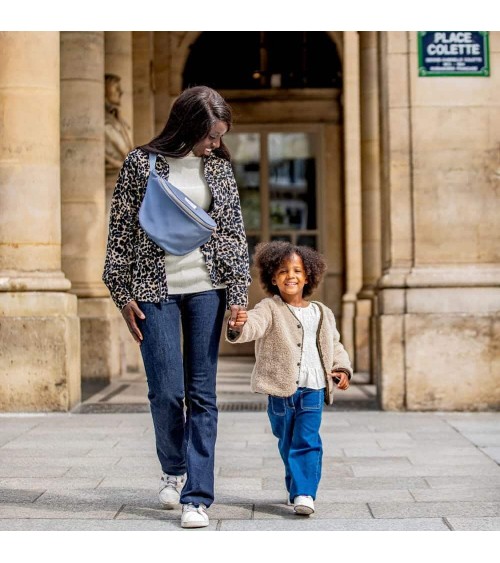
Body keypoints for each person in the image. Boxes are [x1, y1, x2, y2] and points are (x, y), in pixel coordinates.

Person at [102, 86, 251, 529]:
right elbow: (120, 234)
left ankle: (197, 497)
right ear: (187, 127)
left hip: (208, 289)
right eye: (210, 136)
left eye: (220, 136)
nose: (215, 144)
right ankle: (173, 468)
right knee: (165, 391)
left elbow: (233, 234)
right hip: (152, 290)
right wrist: (120, 291)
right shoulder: (139, 165)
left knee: (202, 394)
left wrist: (238, 296)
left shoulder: (220, 170)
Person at [226, 241, 352, 515]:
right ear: (273, 277)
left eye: (297, 270)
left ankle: (305, 493)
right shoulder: (269, 308)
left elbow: (335, 344)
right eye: (283, 271)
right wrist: (239, 325)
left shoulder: (322, 312)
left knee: (306, 440)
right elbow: (254, 325)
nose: (290, 276)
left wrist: (341, 368)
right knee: (287, 442)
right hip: (280, 391)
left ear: (308, 276)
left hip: (314, 388)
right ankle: (296, 485)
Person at [104, 73, 133, 171]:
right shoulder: (100, 122)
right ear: (104, 90)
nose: (121, 92)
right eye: (116, 88)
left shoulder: (121, 121)